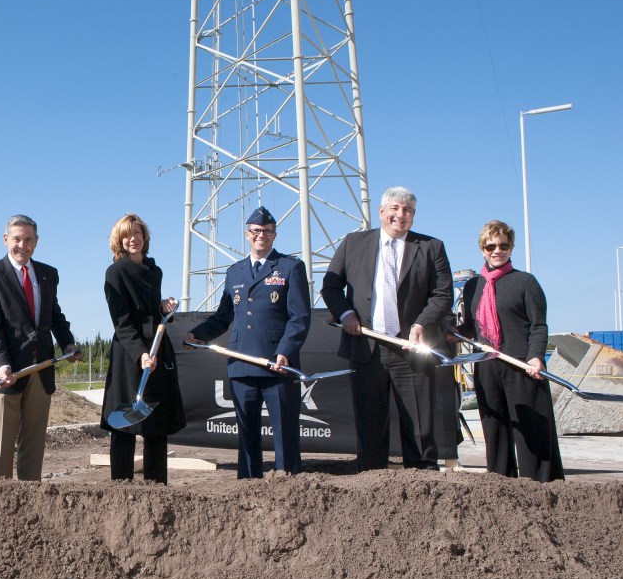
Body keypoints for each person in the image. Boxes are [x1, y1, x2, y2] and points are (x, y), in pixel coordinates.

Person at [321, 186, 453, 471]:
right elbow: (330, 286)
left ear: (413, 216)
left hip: (413, 350)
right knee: (370, 424)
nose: (400, 215)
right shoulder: (353, 243)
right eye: (394, 208)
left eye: (407, 210)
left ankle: (423, 484)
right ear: (381, 212)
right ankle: (372, 481)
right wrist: (345, 314)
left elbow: (442, 294)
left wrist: (421, 324)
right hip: (367, 349)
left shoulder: (432, 247)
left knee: (419, 426)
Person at [185, 206, 310, 478]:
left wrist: (285, 351)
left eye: (266, 231)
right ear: (247, 234)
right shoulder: (235, 272)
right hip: (242, 364)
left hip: (277, 364)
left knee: (284, 430)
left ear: (274, 235)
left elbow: (299, 317)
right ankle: (249, 482)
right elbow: (223, 317)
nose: (260, 236)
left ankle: (286, 479)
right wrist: (199, 334)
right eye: (255, 231)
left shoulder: (290, 267)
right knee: (247, 431)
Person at [454, 220, 564, 481]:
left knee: (532, 435)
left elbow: (539, 325)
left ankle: (539, 488)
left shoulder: (526, 282)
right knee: (495, 432)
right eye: (490, 245)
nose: (497, 250)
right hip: (487, 367)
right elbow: (472, 327)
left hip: (522, 366)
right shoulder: (472, 287)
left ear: (511, 247)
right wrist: (454, 331)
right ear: (482, 248)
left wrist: (536, 356)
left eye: (503, 245)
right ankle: (500, 485)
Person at [0, 214, 79, 480]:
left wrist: (67, 343)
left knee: (33, 451)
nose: (23, 245)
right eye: (17, 239)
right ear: (5, 239)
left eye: (29, 239)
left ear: (37, 242)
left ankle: (30, 511)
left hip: (41, 370)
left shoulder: (48, 274)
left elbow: (54, 315)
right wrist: (2, 364)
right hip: (5, 376)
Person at [101, 214, 185, 484]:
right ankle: (121, 489)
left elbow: (151, 313)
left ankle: (156, 487)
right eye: (126, 235)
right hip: (130, 354)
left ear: (144, 237)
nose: (132, 239)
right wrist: (140, 353)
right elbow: (122, 321)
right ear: (120, 240)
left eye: (137, 233)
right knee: (125, 425)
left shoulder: (154, 270)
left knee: (157, 425)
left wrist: (163, 310)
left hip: (157, 349)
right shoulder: (115, 272)